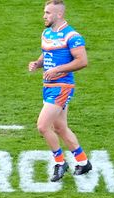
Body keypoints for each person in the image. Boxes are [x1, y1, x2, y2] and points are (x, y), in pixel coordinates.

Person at [28, 0, 92, 182]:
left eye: (48, 13)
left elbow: (82, 61)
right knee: (60, 127)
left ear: (59, 15)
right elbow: (47, 53)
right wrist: (38, 63)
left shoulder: (72, 36)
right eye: (44, 12)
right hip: (48, 86)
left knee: (42, 126)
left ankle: (59, 162)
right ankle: (83, 161)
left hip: (62, 86)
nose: (44, 16)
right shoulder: (47, 32)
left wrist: (57, 70)